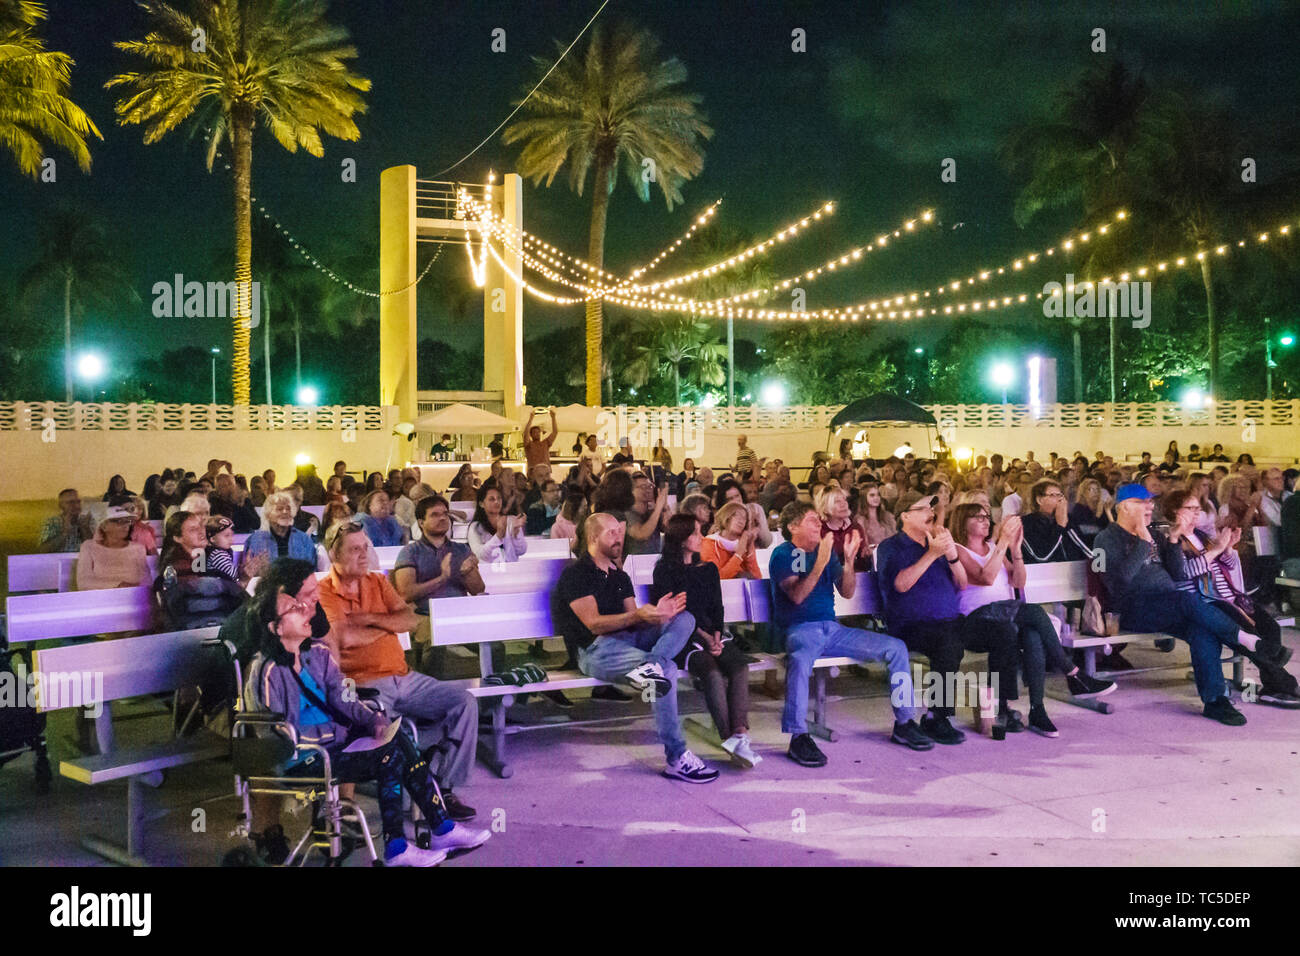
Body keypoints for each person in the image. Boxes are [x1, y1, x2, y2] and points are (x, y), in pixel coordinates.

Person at [242, 558, 487, 865]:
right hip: (305, 756)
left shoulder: (317, 655)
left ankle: (440, 828)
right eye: (298, 606)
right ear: (275, 626)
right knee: (389, 755)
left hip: (334, 747)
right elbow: (274, 733)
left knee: (397, 738)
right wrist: (327, 739)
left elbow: (344, 697)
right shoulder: (267, 671)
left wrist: (374, 720)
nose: (310, 609)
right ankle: (401, 845)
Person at [316, 521, 483, 821]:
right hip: (364, 684)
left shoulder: (377, 582)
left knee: (464, 702)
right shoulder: (324, 592)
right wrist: (385, 624)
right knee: (383, 728)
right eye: (354, 550)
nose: (363, 554)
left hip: (405, 676)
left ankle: (444, 788)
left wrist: (367, 618)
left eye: (365, 547)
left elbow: (410, 620)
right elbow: (343, 637)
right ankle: (363, 798)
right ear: (333, 555)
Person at [553, 512, 719, 782]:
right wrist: (639, 616)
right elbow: (594, 624)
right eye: (611, 533)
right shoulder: (577, 574)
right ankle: (677, 758)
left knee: (684, 619)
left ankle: (651, 665)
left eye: (620, 532)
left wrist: (657, 616)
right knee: (664, 671)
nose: (619, 538)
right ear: (594, 537)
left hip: (629, 642)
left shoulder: (619, 576)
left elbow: (635, 623)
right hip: (595, 650)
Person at [770, 501, 932, 767]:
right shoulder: (788, 553)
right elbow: (797, 596)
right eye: (812, 520)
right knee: (799, 662)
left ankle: (905, 722)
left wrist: (846, 561)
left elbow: (846, 592)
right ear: (792, 526)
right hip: (802, 630)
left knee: (896, 648)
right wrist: (821, 561)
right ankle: (798, 736)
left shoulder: (827, 553)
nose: (818, 525)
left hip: (832, 630)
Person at [950, 503, 1114, 736]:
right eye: (977, 518)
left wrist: (1015, 550)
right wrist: (1004, 542)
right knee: (1033, 614)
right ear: (962, 522)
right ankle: (1073, 674)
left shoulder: (992, 546)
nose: (986, 521)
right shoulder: (959, 550)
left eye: (987, 517)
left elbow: (1018, 582)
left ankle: (1038, 709)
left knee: (1032, 633)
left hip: (1005, 615)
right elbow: (985, 577)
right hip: (976, 619)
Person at [1093, 484, 1248, 725]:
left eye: (1151, 502)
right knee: (1186, 599)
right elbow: (1118, 582)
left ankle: (1216, 701)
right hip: (1134, 610)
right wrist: (1143, 541)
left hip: (1169, 605)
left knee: (1202, 630)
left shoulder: (1157, 533)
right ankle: (1244, 640)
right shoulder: (1105, 539)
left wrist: (1174, 539)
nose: (1150, 506)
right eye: (1142, 502)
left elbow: (1177, 575)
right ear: (1124, 506)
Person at [875, 494, 1023, 744]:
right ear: (905, 516)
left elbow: (962, 583)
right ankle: (936, 717)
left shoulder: (936, 544)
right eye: (923, 509)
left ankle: (1000, 704)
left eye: (931, 509)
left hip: (950, 620)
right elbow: (900, 585)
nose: (930, 513)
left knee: (1003, 631)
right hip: (912, 624)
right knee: (948, 642)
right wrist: (932, 554)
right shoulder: (891, 547)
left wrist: (951, 554)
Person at [1162, 490, 1299, 707]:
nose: (1197, 513)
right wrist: (1216, 550)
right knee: (1250, 632)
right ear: (1174, 511)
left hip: (1228, 597)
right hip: (1206, 601)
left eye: (1199, 508)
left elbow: (1230, 567)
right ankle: (1282, 685)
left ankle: (1275, 684)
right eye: (1191, 508)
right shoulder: (1171, 539)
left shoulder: (1200, 535)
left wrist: (1227, 549)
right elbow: (1184, 573)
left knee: (1270, 627)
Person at [652, 514, 760, 767]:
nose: (701, 538)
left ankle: (740, 735)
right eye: (696, 534)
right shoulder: (665, 570)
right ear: (680, 539)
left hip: (713, 635)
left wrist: (717, 636)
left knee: (739, 666)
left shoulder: (708, 569)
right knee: (710, 672)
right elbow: (676, 613)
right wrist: (704, 637)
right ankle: (728, 736)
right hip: (685, 639)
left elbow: (717, 607)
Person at [154, 511, 247, 628]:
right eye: (193, 530)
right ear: (178, 538)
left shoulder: (205, 558)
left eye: (201, 526)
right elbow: (191, 600)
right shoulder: (177, 566)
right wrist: (233, 587)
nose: (201, 532)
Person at [75, 505, 149, 590]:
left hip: (132, 598)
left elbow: (147, 581)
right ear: (104, 526)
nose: (125, 526)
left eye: (127, 521)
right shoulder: (88, 547)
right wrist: (118, 585)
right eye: (119, 521)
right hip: (98, 600)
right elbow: (83, 583)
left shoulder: (138, 548)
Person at [244, 491, 320, 573]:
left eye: (288, 508)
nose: (285, 511)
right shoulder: (255, 540)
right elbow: (247, 574)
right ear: (268, 514)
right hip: (266, 584)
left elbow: (312, 572)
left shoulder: (303, 540)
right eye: (279, 509)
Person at [1021, 478, 1090, 562]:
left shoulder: (1067, 519)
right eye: (1053, 495)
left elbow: (1086, 550)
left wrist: (1066, 524)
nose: (1059, 500)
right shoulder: (1026, 523)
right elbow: (1042, 556)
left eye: (1060, 495)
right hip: (1041, 572)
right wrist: (1060, 527)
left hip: (1071, 571)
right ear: (1039, 500)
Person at [700, 501, 761, 579]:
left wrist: (749, 549)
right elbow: (716, 579)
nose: (740, 521)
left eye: (744, 518)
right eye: (736, 515)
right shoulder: (709, 543)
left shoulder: (745, 543)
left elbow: (757, 579)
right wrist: (738, 555)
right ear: (726, 516)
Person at [468, 485, 528, 562]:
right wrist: (498, 536)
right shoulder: (475, 527)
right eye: (491, 499)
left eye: (499, 498)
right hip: (487, 571)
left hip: (511, 570)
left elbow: (521, 551)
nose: (496, 502)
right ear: (481, 504)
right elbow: (480, 555)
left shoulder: (512, 520)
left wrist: (516, 533)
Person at [39, 489, 95, 553]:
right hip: (59, 562)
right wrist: (64, 533)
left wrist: (85, 528)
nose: (76, 505)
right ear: (61, 506)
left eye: (78, 502)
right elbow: (43, 550)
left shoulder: (87, 520)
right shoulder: (52, 522)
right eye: (71, 502)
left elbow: (95, 550)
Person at [1068, 477, 1110, 549]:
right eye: (1091, 489)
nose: (1095, 492)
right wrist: (1098, 515)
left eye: (1097, 489)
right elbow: (1088, 532)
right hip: (1087, 547)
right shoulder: (1079, 509)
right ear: (1083, 493)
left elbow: (1108, 528)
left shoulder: (1101, 507)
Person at [204, 516, 240, 582]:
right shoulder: (217, 555)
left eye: (232, 535)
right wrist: (244, 568)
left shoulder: (218, 552)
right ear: (213, 539)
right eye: (227, 536)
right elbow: (232, 574)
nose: (231, 539)